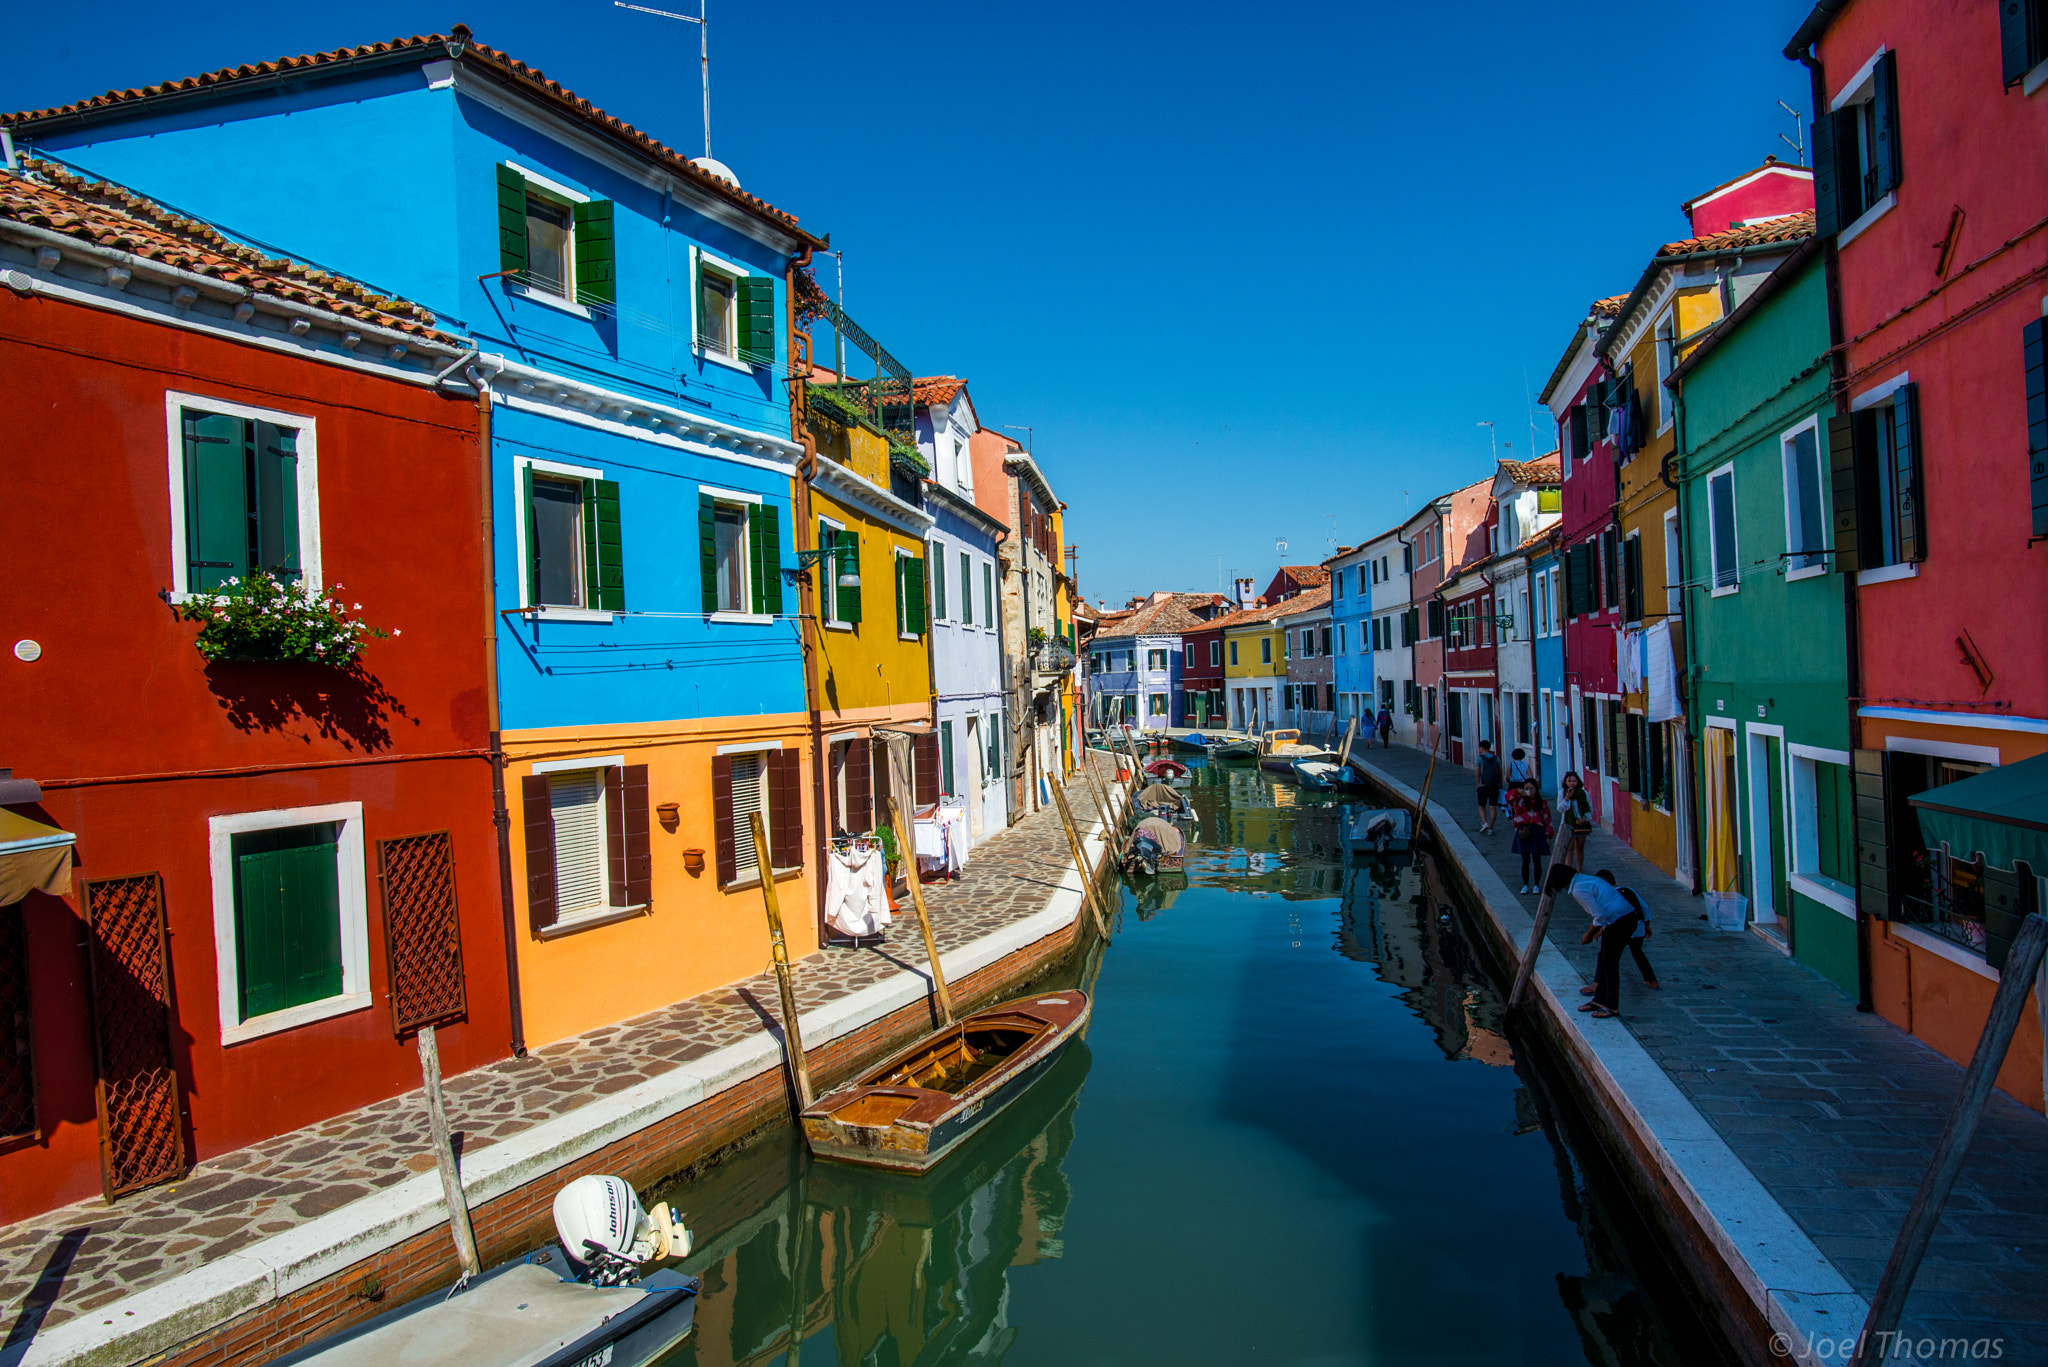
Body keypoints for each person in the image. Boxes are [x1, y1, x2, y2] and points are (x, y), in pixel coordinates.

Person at [1548, 864, 1642, 1017]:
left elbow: (1599, 915)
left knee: (1610, 964)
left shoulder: (1578, 890)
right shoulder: (1584, 879)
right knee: (1605, 960)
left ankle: (1611, 1006)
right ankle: (1599, 998)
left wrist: (1589, 934)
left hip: (1620, 921)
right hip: (1621, 919)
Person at [1507, 779, 1552, 894]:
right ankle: (1525, 884)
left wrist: (1548, 836)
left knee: (1537, 859)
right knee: (1525, 859)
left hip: (1538, 831)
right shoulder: (1519, 801)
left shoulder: (1542, 803)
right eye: (1526, 788)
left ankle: (1536, 884)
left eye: (1531, 788)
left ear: (1536, 790)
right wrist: (1518, 791)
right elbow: (1507, 797)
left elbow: (1547, 821)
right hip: (1523, 830)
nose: (1529, 791)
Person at [1557, 770, 1593, 870]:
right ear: (1565, 782)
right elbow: (1560, 809)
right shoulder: (1562, 793)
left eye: (1574, 781)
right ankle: (1568, 869)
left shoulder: (1584, 793)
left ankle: (1579, 869)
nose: (1572, 783)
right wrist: (1567, 798)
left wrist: (1584, 818)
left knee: (1580, 847)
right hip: (1568, 823)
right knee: (1569, 848)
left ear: (1578, 782)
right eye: (1569, 781)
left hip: (1581, 824)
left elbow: (1590, 808)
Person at [1474, 741, 1502, 833]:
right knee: (1493, 807)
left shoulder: (1479, 759)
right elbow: (1500, 772)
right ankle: (1491, 828)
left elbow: (1478, 773)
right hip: (1494, 785)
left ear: (1481, 747)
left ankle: (1485, 822)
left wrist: (1478, 784)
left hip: (1483, 785)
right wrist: (1500, 784)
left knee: (1482, 806)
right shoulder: (1496, 758)